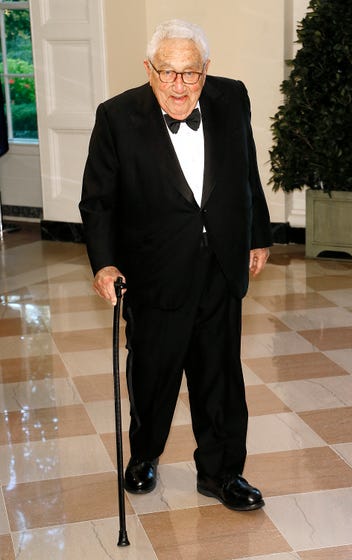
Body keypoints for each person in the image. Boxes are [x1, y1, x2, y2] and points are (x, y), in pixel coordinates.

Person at [79, 19, 272, 512]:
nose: (179, 85)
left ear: (206, 70)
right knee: (152, 372)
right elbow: (98, 201)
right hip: (154, 270)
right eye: (168, 73)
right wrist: (104, 264)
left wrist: (257, 234)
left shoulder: (233, 99)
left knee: (220, 377)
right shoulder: (116, 117)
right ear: (149, 69)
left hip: (220, 265)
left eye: (190, 73)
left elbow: (246, 169)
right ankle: (144, 455)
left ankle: (222, 473)